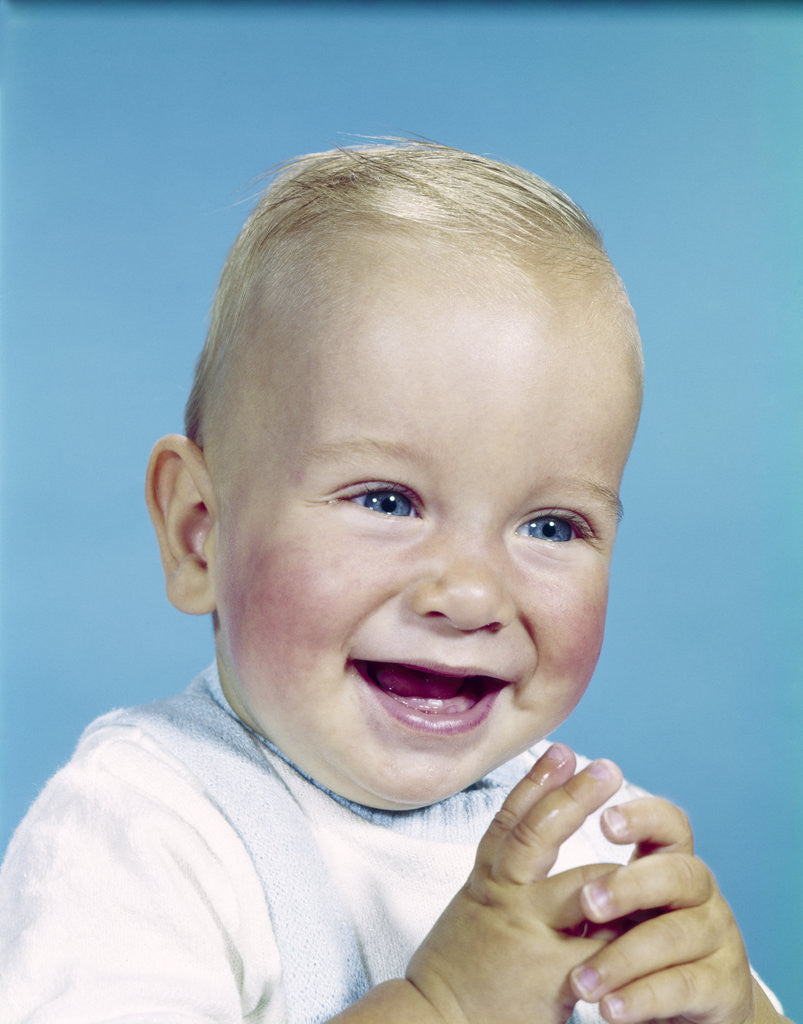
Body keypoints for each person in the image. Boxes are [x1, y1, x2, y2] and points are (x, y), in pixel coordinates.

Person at [0, 142, 789, 1024]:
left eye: (550, 526)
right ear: (200, 533)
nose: (472, 596)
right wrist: (443, 1006)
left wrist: (728, 1007)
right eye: (386, 501)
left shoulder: (590, 843)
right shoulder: (145, 828)